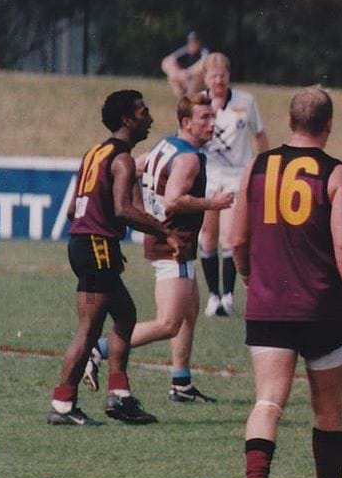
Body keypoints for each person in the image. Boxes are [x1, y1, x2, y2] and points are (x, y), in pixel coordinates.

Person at [232, 87, 342, 478]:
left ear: (290, 121)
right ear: (329, 125)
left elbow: (237, 239)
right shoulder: (338, 175)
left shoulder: (256, 166)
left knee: (267, 401)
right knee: (328, 410)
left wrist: (248, 276)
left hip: (268, 305)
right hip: (321, 308)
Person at [82, 92, 234, 402]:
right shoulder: (189, 158)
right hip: (173, 244)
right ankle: (97, 350)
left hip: (163, 239)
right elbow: (174, 200)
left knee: (190, 310)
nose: (212, 124)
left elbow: (136, 168)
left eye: (213, 117)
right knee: (168, 323)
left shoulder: (166, 144)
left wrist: (144, 208)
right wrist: (213, 203)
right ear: (186, 122)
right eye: (204, 118)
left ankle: (181, 383)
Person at [49, 90, 170, 426]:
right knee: (89, 329)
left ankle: (120, 396)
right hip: (96, 246)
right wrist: (163, 230)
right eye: (144, 112)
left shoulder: (94, 152)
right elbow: (123, 209)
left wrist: (105, 241)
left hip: (88, 244)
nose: (150, 118)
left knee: (126, 315)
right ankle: (62, 404)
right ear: (127, 119)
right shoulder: (122, 159)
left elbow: (73, 210)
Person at [199, 52, 268, 317]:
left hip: (238, 177)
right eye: (214, 76)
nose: (219, 80)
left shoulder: (245, 101)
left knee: (230, 236)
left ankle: (228, 295)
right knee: (208, 236)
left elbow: (260, 135)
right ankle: (213, 295)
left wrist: (265, 167)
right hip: (208, 177)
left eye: (223, 75)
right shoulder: (198, 103)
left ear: (229, 75)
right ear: (205, 78)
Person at [160, 31, 209, 98]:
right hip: (184, 79)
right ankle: (180, 98)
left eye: (195, 42)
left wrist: (188, 72)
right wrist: (177, 73)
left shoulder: (204, 52)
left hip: (199, 82)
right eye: (191, 42)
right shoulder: (185, 51)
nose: (192, 44)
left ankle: (189, 99)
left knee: (197, 78)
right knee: (171, 77)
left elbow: (203, 64)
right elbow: (167, 61)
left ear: (199, 43)